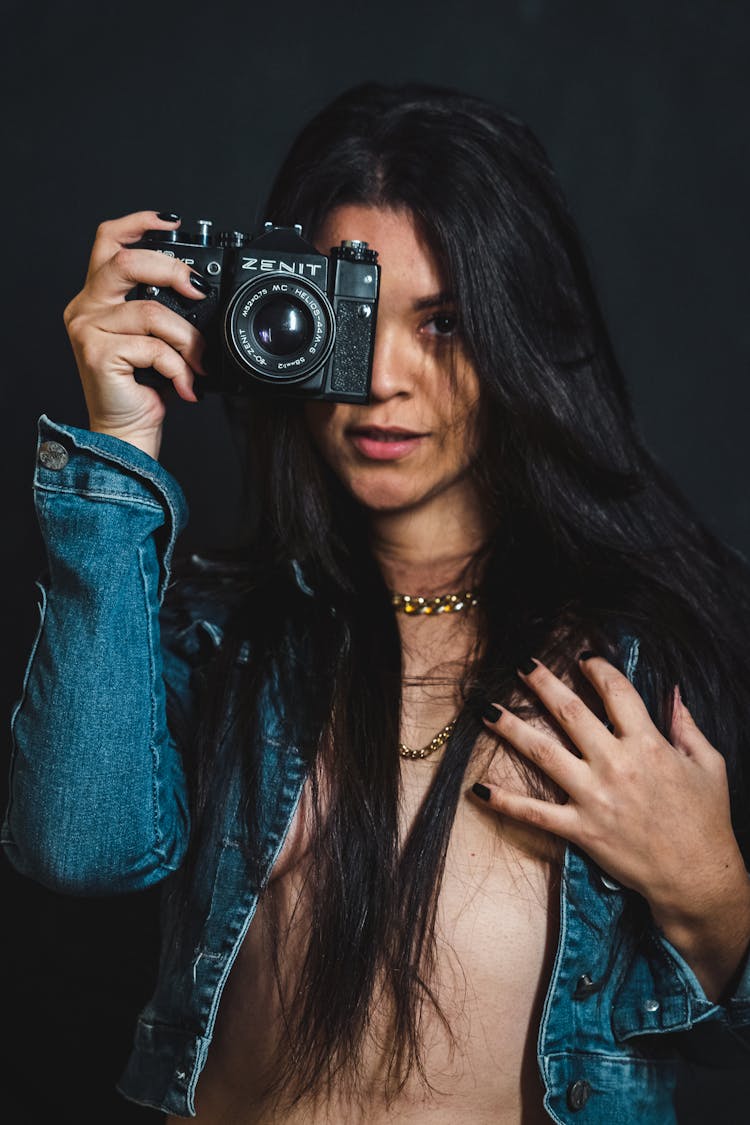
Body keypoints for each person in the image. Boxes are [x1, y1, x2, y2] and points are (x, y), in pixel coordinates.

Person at [4, 81, 750, 1124]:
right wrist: (118, 450)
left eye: (443, 322)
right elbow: (77, 848)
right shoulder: (224, 639)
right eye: (350, 318)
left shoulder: (638, 665)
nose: (383, 381)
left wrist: (714, 895)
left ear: (518, 330)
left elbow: (718, 1038)